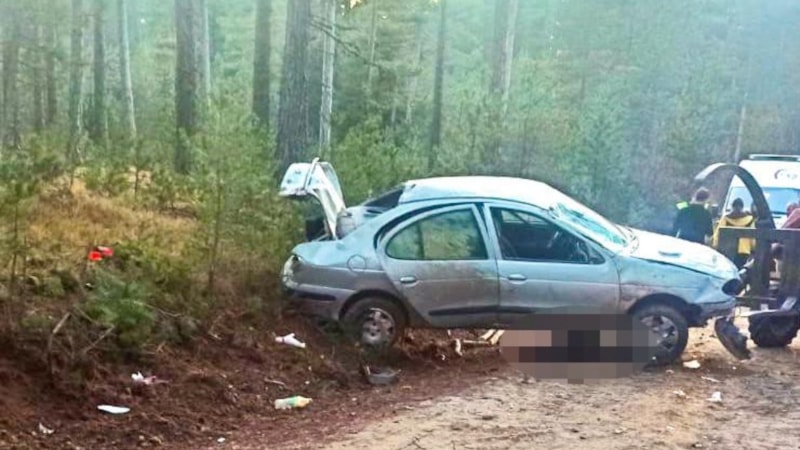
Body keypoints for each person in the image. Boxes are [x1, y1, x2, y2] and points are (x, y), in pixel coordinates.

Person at [711, 198, 755, 268]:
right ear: (742, 207)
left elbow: (718, 234)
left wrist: (715, 245)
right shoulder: (750, 220)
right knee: (740, 269)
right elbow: (753, 236)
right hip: (744, 250)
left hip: (728, 249)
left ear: (732, 206)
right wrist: (754, 248)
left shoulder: (726, 218)